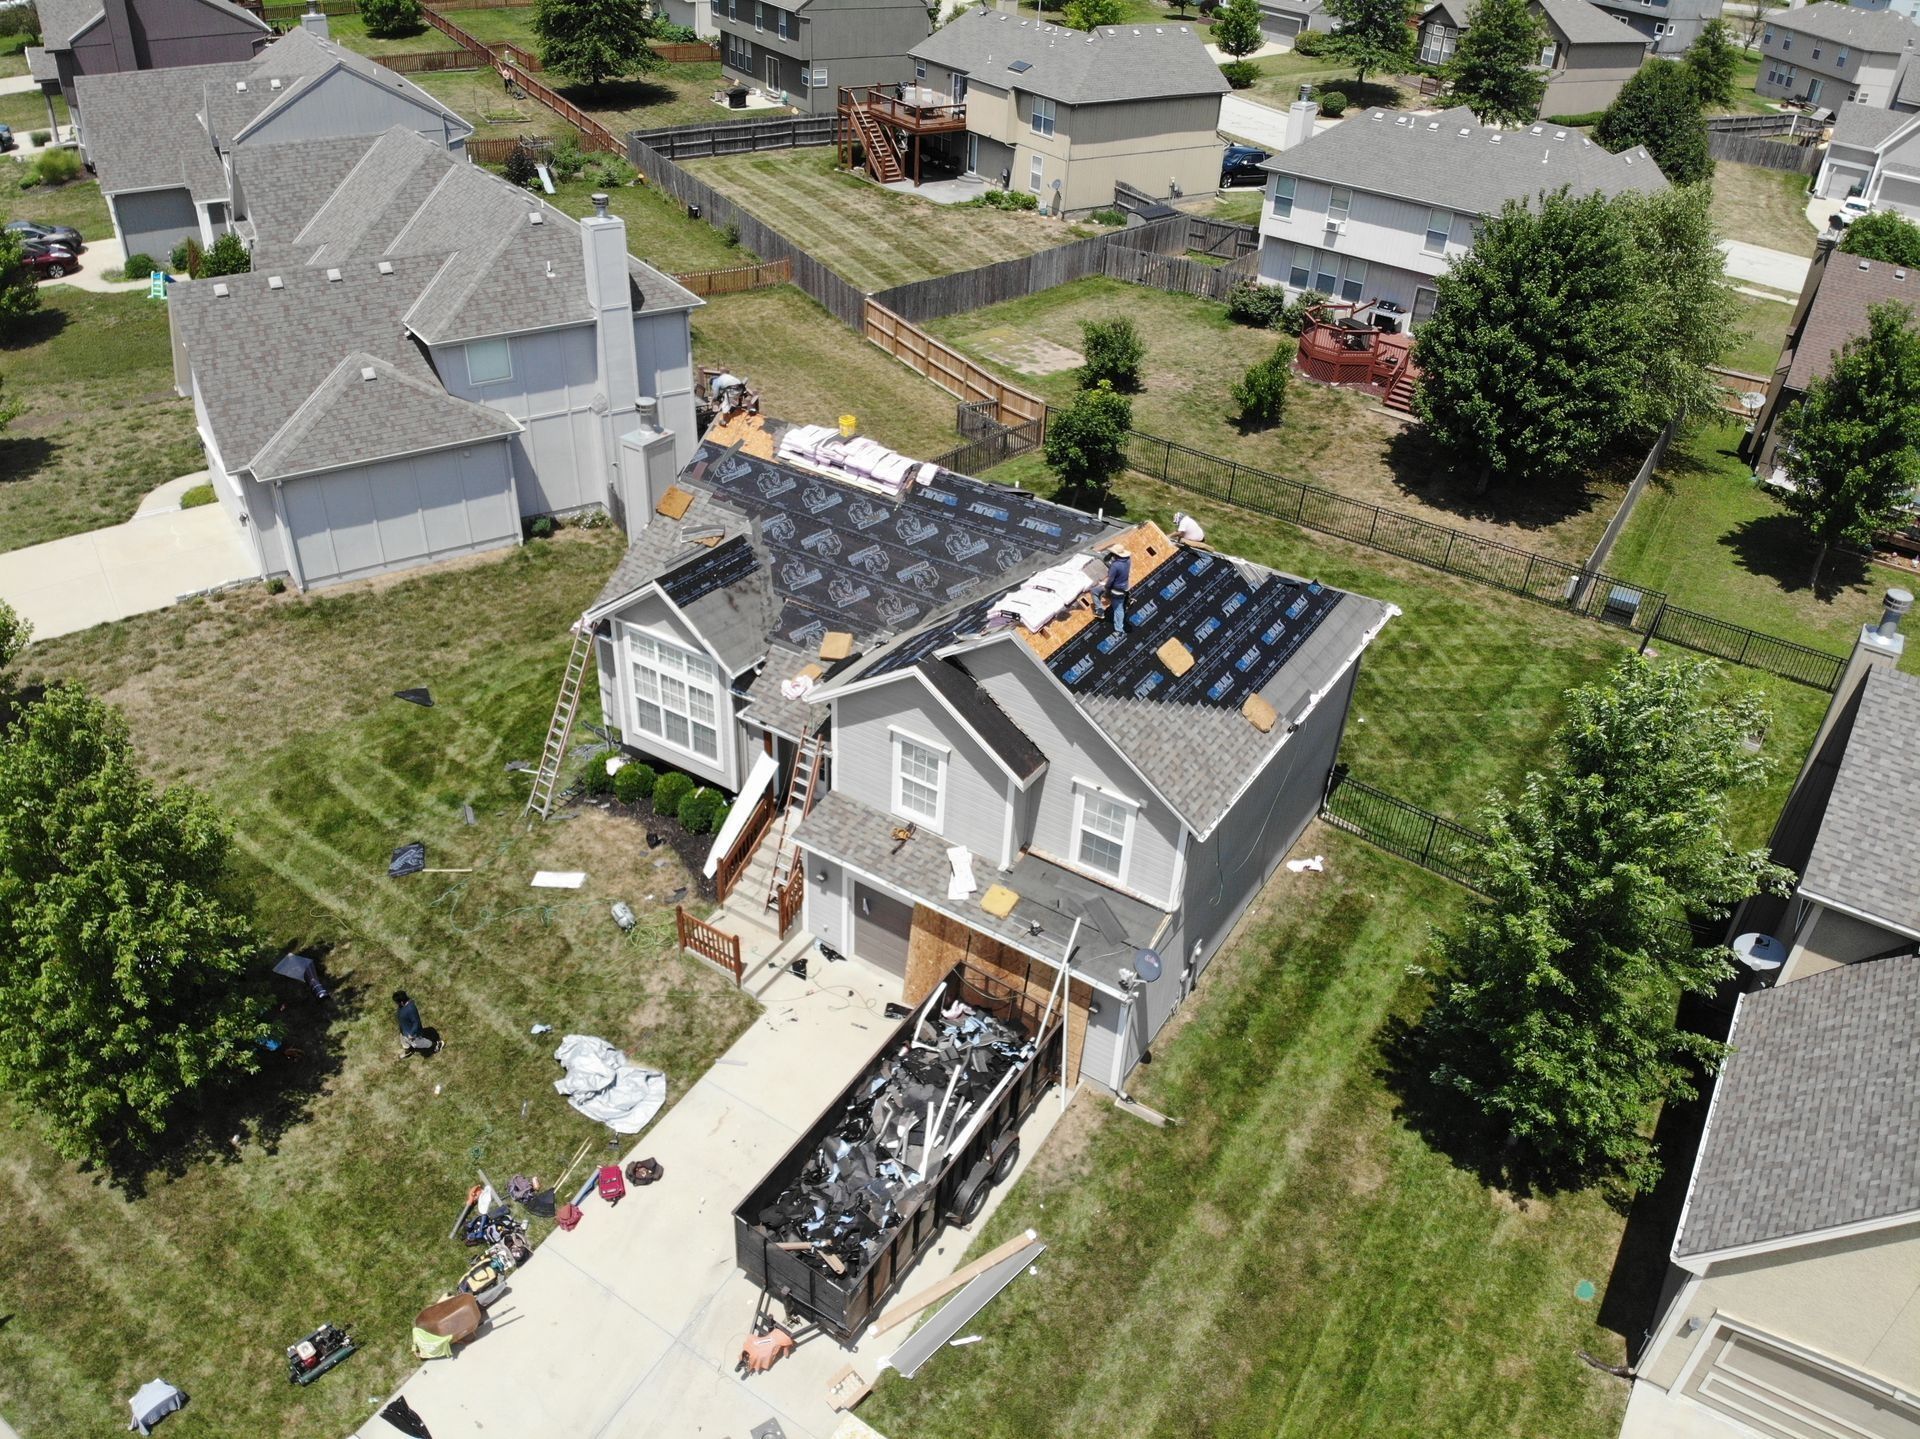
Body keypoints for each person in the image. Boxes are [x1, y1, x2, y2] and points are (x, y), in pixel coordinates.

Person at [394, 990, 442, 1057]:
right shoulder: (402, 1006)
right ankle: (408, 1051)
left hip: (412, 1034)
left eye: (396, 1002)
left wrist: (412, 1034)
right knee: (404, 1042)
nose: (396, 1003)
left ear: (401, 1002)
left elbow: (416, 1022)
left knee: (422, 1043)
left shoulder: (410, 1008)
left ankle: (436, 1045)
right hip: (404, 1031)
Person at [1101, 548, 1131, 637]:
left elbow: (1111, 579)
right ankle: (1119, 628)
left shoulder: (1116, 565)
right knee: (1119, 609)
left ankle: (1119, 629)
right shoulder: (1128, 560)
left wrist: (1107, 588)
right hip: (1124, 587)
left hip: (1116, 589)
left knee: (1117, 609)